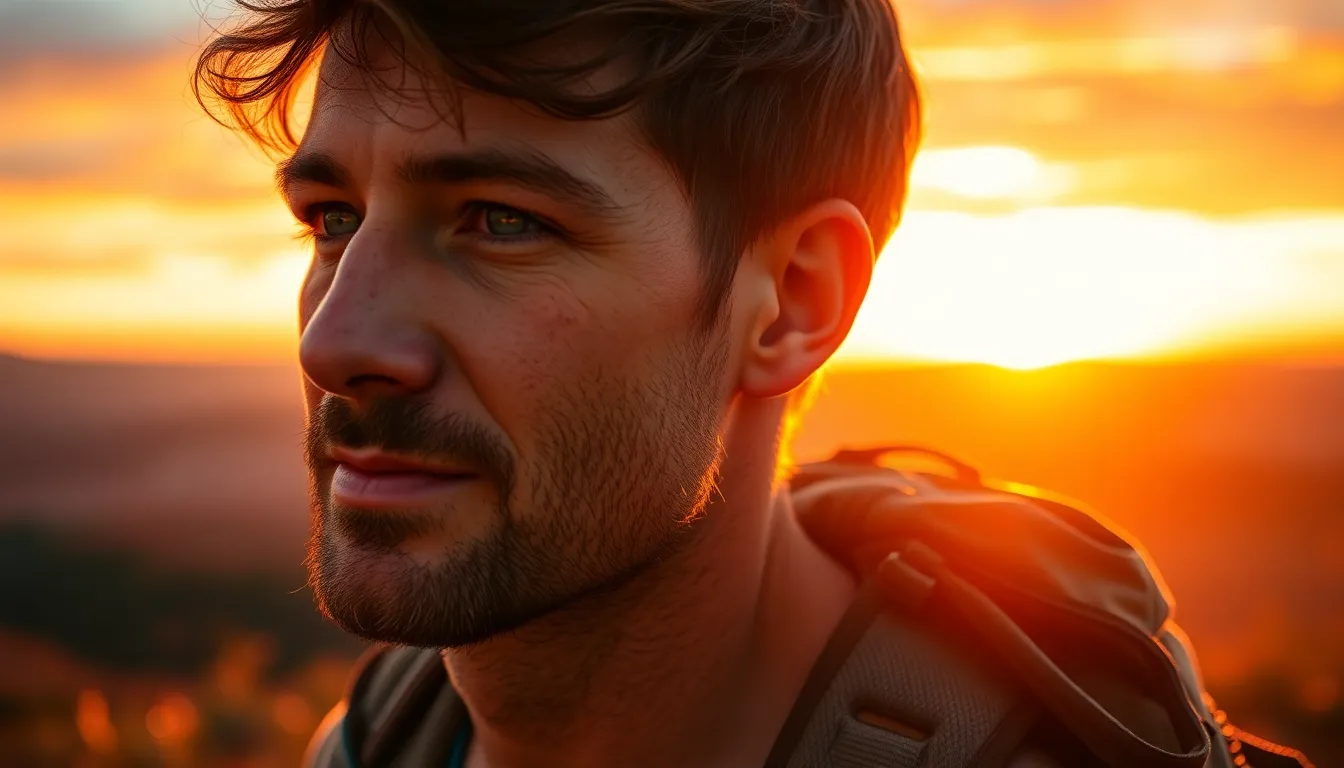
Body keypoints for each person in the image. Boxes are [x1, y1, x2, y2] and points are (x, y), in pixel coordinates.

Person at [193, 2, 1312, 766]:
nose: (334, 340)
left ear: (794, 302)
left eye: (499, 221)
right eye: (331, 218)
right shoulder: (386, 737)